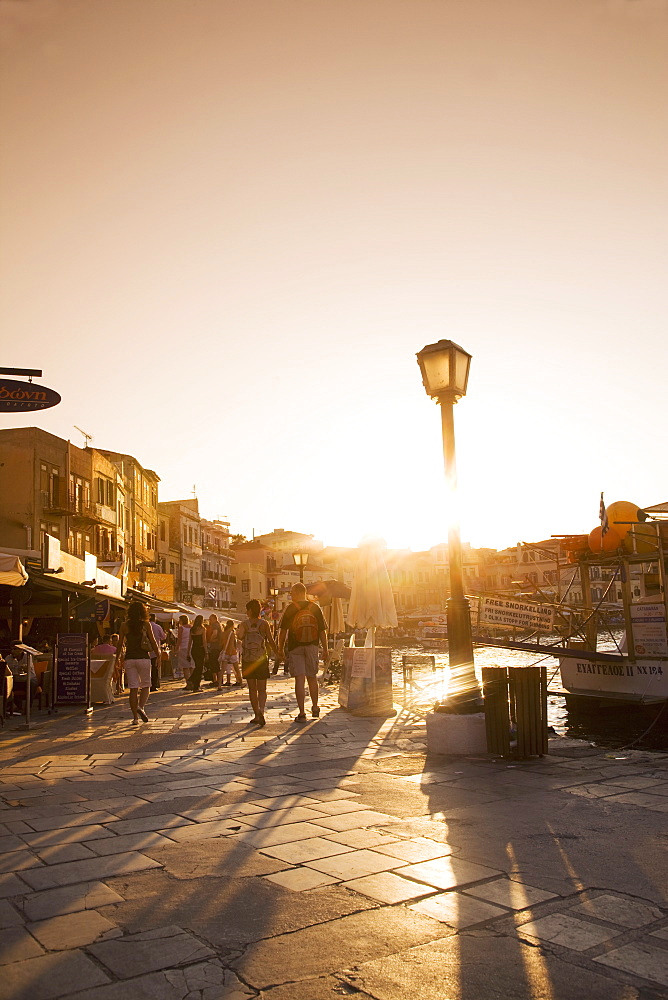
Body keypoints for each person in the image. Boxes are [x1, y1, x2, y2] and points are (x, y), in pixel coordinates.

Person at [276, 584, 328, 721]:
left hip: (295, 647)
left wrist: (280, 648)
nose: (291, 595)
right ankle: (315, 707)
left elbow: (283, 631)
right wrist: (326, 650)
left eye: (292, 593)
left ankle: (301, 713)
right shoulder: (315, 608)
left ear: (297, 593)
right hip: (312, 646)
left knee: (299, 679)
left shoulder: (291, 608)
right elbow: (322, 631)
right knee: (312, 677)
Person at [114, 601, 160, 725]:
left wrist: (117, 659)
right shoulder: (146, 625)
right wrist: (159, 656)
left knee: (133, 688)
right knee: (146, 685)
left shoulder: (124, 625)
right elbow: (153, 641)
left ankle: (135, 718)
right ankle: (141, 706)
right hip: (144, 658)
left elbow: (119, 644)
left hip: (130, 659)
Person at [237, 600, 277, 725]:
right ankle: (261, 710)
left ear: (249, 610)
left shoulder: (244, 624)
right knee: (262, 689)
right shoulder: (264, 624)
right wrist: (278, 652)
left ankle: (256, 714)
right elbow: (270, 640)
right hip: (261, 659)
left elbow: (239, 637)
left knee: (252, 689)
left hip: (248, 659)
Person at [186, 614, 207, 692]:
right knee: (199, 667)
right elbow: (204, 641)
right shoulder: (203, 629)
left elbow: (189, 642)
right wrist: (206, 652)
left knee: (198, 667)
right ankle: (194, 682)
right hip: (200, 649)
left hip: (193, 650)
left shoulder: (192, 630)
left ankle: (196, 685)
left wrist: (188, 652)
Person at [217, 619, 239, 688]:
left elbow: (220, 644)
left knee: (222, 670)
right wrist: (231, 652)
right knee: (237, 669)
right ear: (232, 626)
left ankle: (219, 685)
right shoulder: (231, 633)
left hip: (225, 652)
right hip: (231, 653)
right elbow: (232, 645)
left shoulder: (223, 633)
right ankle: (241, 683)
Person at [205, 614, 224, 687]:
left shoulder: (215, 625)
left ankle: (216, 680)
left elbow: (215, 633)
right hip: (218, 647)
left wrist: (211, 639)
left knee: (213, 664)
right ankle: (219, 680)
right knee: (216, 664)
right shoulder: (219, 626)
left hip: (214, 647)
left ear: (215, 619)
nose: (210, 621)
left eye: (211, 619)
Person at [148, 614, 166, 691]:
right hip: (155, 651)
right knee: (155, 669)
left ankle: (147, 684)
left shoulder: (145, 626)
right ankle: (154, 685)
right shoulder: (158, 627)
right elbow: (163, 637)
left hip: (146, 650)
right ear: (154, 619)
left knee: (147, 669)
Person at [175, 615, 191, 683]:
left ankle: (188, 682)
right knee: (191, 666)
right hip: (191, 647)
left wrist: (176, 649)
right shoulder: (192, 627)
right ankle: (193, 681)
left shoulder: (181, 628)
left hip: (183, 647)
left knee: (185, 666)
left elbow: (179, 639)